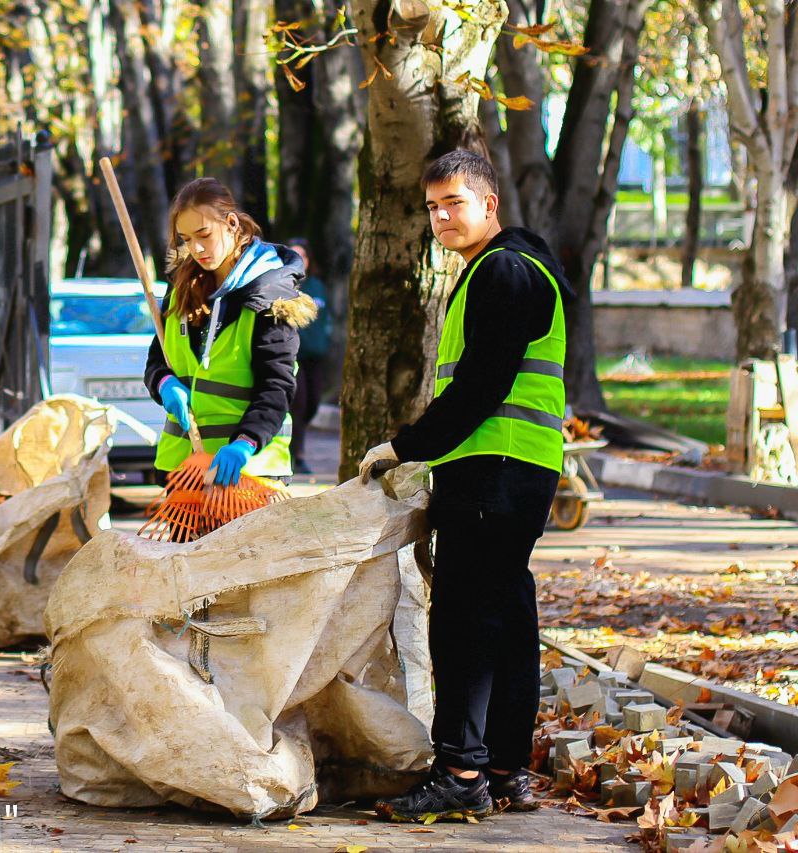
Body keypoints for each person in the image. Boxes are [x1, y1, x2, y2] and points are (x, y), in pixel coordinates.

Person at [361, 150, 572, 821]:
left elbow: (483, 385)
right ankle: (506, 770)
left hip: (494, 470)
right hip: (521, 467)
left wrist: (405, 446)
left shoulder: (504, 271)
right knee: (507, 620)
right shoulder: (518, 267)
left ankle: (459, 770)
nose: (442, 217)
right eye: (433, 207)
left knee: (463, 623)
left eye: (455, 201)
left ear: (490, 204)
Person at [144, 178, 315, 487]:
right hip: (184, 473)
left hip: (250, 475)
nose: (196, 248)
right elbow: (157, 360)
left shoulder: (270, 297)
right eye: (185, 238)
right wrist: (164, 383)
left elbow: (276, 388)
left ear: (232, 223)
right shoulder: (182, 288)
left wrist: (244, 444)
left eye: (204, 234)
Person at [285, 238, 332, 474]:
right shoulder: (282, 284)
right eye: (293, 255)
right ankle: (297, 454)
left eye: (302, 255)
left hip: (316, 355)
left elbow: (326, 318)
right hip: (293, 356)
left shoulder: (317, 286)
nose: (299, 260)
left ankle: (295, 449)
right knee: (299, 403)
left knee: (313, 402)